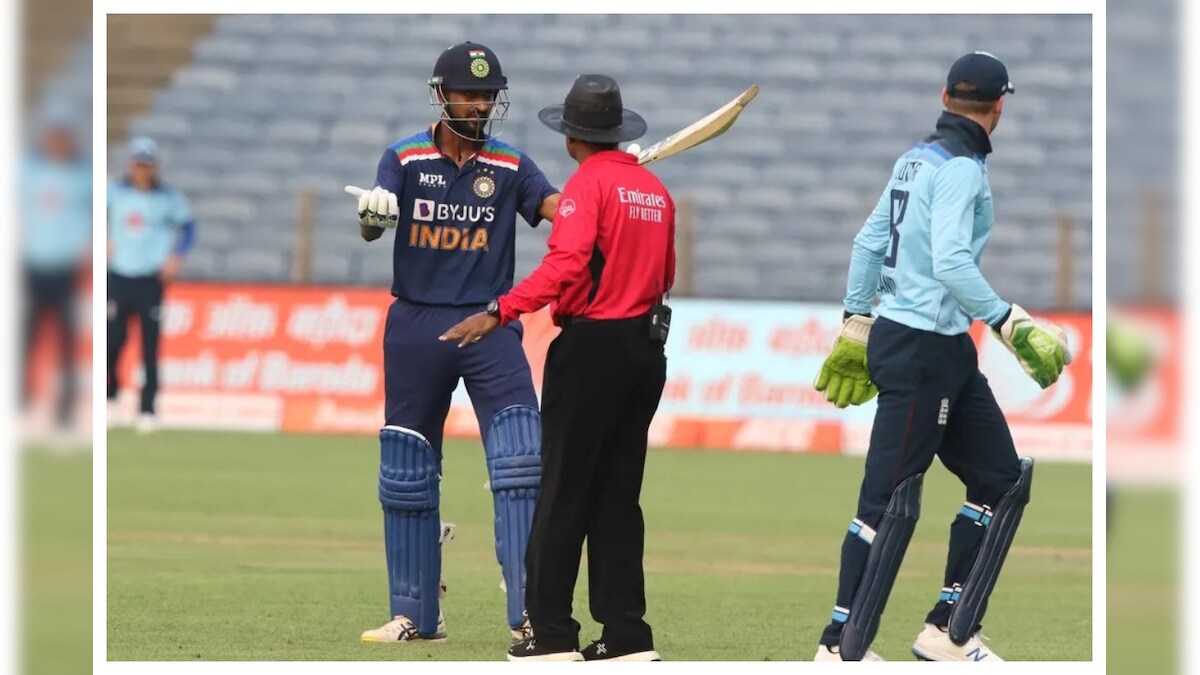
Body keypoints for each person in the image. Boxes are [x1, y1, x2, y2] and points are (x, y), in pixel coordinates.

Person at [809, 52, 1071, 662]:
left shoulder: (915, 159)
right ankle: (838, 647)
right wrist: (1008, 321)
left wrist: (856, 317)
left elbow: (868, 240)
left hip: (941, 347)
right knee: (890, 498)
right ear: (999, 105)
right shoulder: (961, 170)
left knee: (1002, 481)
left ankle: (949, 632)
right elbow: (952, 261)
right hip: (920, 347)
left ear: (945, 96)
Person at [442, 73, 675, 663]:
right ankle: (626, 635)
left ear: (572, 138)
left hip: (591, 347)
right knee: (619, 495)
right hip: (646, 351)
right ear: (619, 134)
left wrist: (501, 309)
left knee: (564, 490)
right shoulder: (655, 190)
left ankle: (549, 634)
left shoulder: (584, 187)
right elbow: (665, 274)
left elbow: (565, 267)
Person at [346, 41, 560, 645]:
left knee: (521, 461)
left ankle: (530, 615)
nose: (481, 104)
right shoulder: (404, 158)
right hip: (416, 324)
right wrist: (375, 212)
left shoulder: (513, 165)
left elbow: (554, 208)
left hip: (489, 325)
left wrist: (590, 199)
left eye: (489, 95)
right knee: (408, 470)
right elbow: (370, 228)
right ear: (441, 95)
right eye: (470, 93)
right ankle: (416, 613)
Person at [106, 136, 196, 434]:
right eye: (137, 164)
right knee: (113, 342)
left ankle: (147, 408)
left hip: (150, 279)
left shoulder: (167, 198)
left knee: (150, 346)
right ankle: (111, 396)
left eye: (146, 164)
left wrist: (176, 258)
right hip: (119, 275)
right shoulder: (115, 193)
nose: (141, 170)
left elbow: (188, 228)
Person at [19, 98, 92, 438]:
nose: (58, 141)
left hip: (65, 268)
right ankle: (20, 399)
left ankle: (65, 408)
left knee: (65, 339)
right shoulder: (29, 172)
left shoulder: (81, 176)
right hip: (33, 263)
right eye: (54, 134)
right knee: (26, 335)